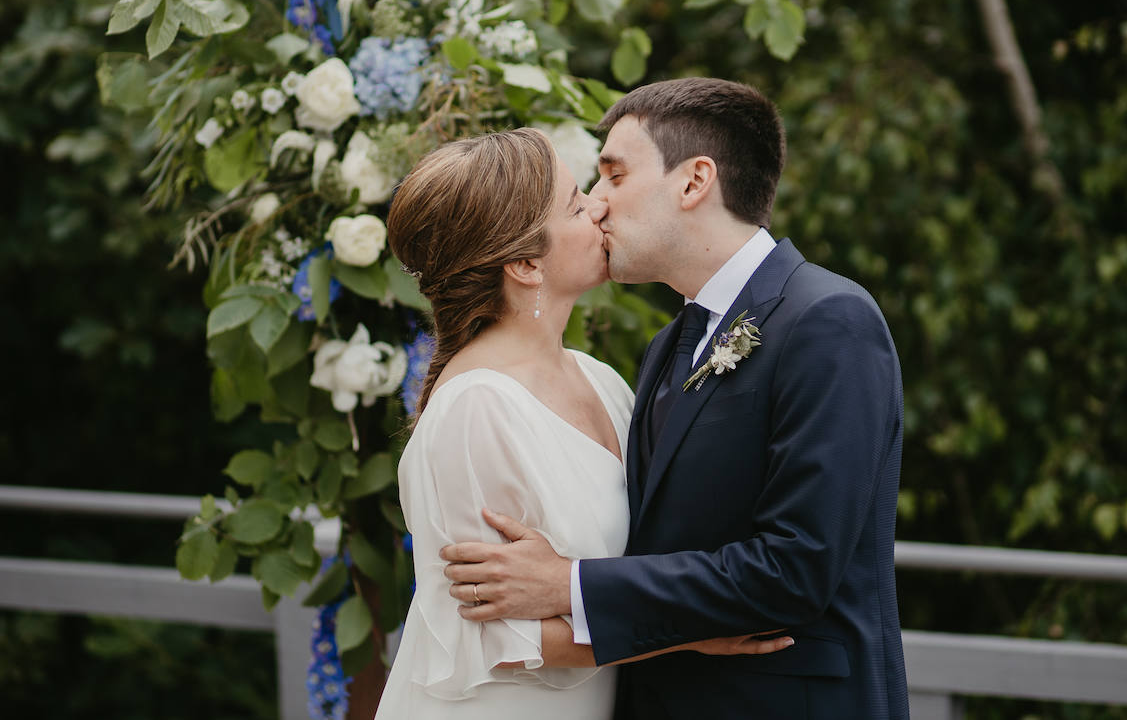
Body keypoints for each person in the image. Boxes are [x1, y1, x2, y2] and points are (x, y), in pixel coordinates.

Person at [440, 80, 909, 720]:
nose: (597, 205)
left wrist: (565, 583)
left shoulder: (829, 320)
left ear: (693, 183)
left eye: (613, 175)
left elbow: (795, 569)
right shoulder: (669, 345)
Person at [376, 128, 792, 720]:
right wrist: (687, 632)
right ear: (524, 263)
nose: (600, 205)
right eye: (575, 204)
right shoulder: (475, 410)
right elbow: (490, 640)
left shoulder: (601, 380)